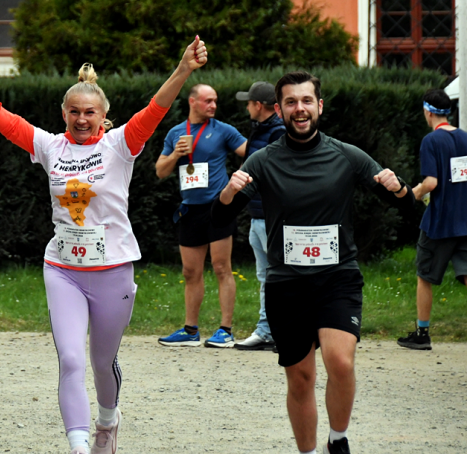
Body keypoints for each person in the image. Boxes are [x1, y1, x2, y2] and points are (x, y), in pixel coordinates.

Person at [0, 36, 208, 454]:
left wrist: (183, 69)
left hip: (113, 271)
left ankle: (108, 423)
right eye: (74, 112)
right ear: (63, 114)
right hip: (63, 269)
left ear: (103, 116)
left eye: (89, 112)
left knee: (101, 362)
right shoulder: (49, 146)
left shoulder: (120, 145)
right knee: (72, 361)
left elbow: (155, 109)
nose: (81, 119)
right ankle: (78, 448)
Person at [212, 71, 414, 454]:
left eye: (306, 101)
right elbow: (219, 219)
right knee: (301, 378)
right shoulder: (264, 161)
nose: (299, 109)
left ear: (319, 106)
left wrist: (399, 187)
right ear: (280, 109)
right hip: (287, 285)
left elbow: (405, 206)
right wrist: (227, 194)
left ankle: (337, 441)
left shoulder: (346, 155)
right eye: (291, 102)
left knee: (340, 361)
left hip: (337, 278)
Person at [156, 84, 247, 348]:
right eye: (208, 101)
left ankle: (225, 330)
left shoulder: (223, 130)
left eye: (215, 101)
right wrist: (176, 154)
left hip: (218, 207)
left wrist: (237, 182)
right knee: (190, 271)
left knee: (221, 268)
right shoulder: (176, 133)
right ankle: (190, 330)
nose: (213, 106)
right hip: (189, 209)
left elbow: (251, 152)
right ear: (193, 102)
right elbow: (160, 171)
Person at [397, 88, 467, 351]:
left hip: (439, 223)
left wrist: (410, 195)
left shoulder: (431, 141)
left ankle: (422, 333)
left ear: (427, 112)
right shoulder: (465, 138)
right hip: (465, 220)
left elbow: (431, 182)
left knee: (424, 276)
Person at [233, 81, 285, 351]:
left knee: (282, 277)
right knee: (266, 277)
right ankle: (267, 331)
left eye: (249, 102)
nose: (246, 106)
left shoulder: (278, 132)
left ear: (258, 105)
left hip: (273, 218)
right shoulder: (260, 129)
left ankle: (286, 332)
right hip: (257, 215)